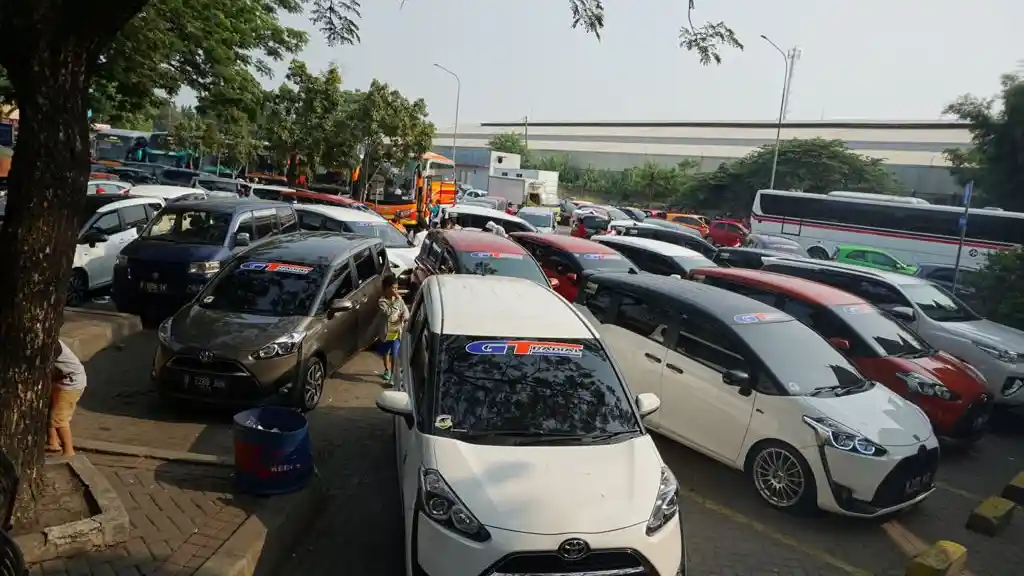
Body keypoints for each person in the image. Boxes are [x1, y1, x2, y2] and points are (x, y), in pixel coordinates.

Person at [48, 340, 87, 457]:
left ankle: (69, 452)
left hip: (70, 383)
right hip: (61, 380)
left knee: (59, 419)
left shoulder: (51, 344)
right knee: (50, 409)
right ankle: (53, 442)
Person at [377, 275, 409, 383]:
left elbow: (405, 310)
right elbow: (388, 312)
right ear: (386, 288)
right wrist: (396, 301)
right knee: (385, 353)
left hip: (396, 332)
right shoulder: (382, 302)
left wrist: (404, 316)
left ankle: (393, 376)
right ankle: (387, 369)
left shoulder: (399, 300)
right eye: (393, 288)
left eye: (397, 288)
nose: (396, 291)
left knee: (395, 354)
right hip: (386, 333)